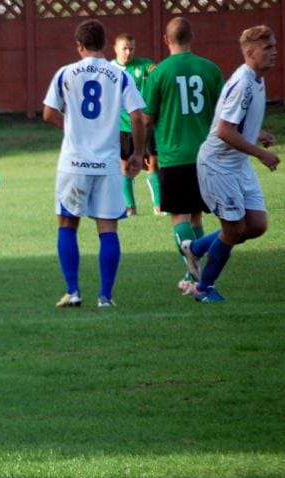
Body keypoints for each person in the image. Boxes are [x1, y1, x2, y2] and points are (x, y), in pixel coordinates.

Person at [43, 19, 145, 308]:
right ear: (104, 43)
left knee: (67, 223)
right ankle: (106, 296)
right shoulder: (119, 75)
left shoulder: (65, 73)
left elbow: (49, 113)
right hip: (108, 164)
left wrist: (72, 129)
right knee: (108, 228)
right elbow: (137, 117)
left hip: (74, 162)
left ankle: (73, 291)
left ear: (79, 46)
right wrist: (137, 154)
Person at [181, 26, 280, 303]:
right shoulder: (244, 83)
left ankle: (196, 247)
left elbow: (230, 119)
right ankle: (204, 288)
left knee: (256, 225)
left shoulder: (257, 79)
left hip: (237, 164)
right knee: (234, 229)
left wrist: (256, 133)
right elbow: (224, 131)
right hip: (218, 164)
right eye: (267, 48)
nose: (274, 52)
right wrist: (260, 154)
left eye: (273, 46)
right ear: (250, 52)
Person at [142, 17, 225, 294]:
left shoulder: (159, 73)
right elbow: (225, 111)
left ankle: (195, 274)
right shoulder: (210, 69)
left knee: (180, 218)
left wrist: (141, 149)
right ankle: (195, 278)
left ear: (167, 40)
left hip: (175, 156)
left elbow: (146, 117)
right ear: (192, 36)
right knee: (197, 217)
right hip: (205, 155)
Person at [111, 33, 162, 216]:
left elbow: (159, 71)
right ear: (115, 49)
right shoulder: (110, 70)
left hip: (144, 125)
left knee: (152, 163)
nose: (128, 52)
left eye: (131, 48)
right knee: (125, 167)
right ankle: (130, 207)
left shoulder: (143, 65)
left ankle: (159, 205)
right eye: (124, 48)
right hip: (122, 127)